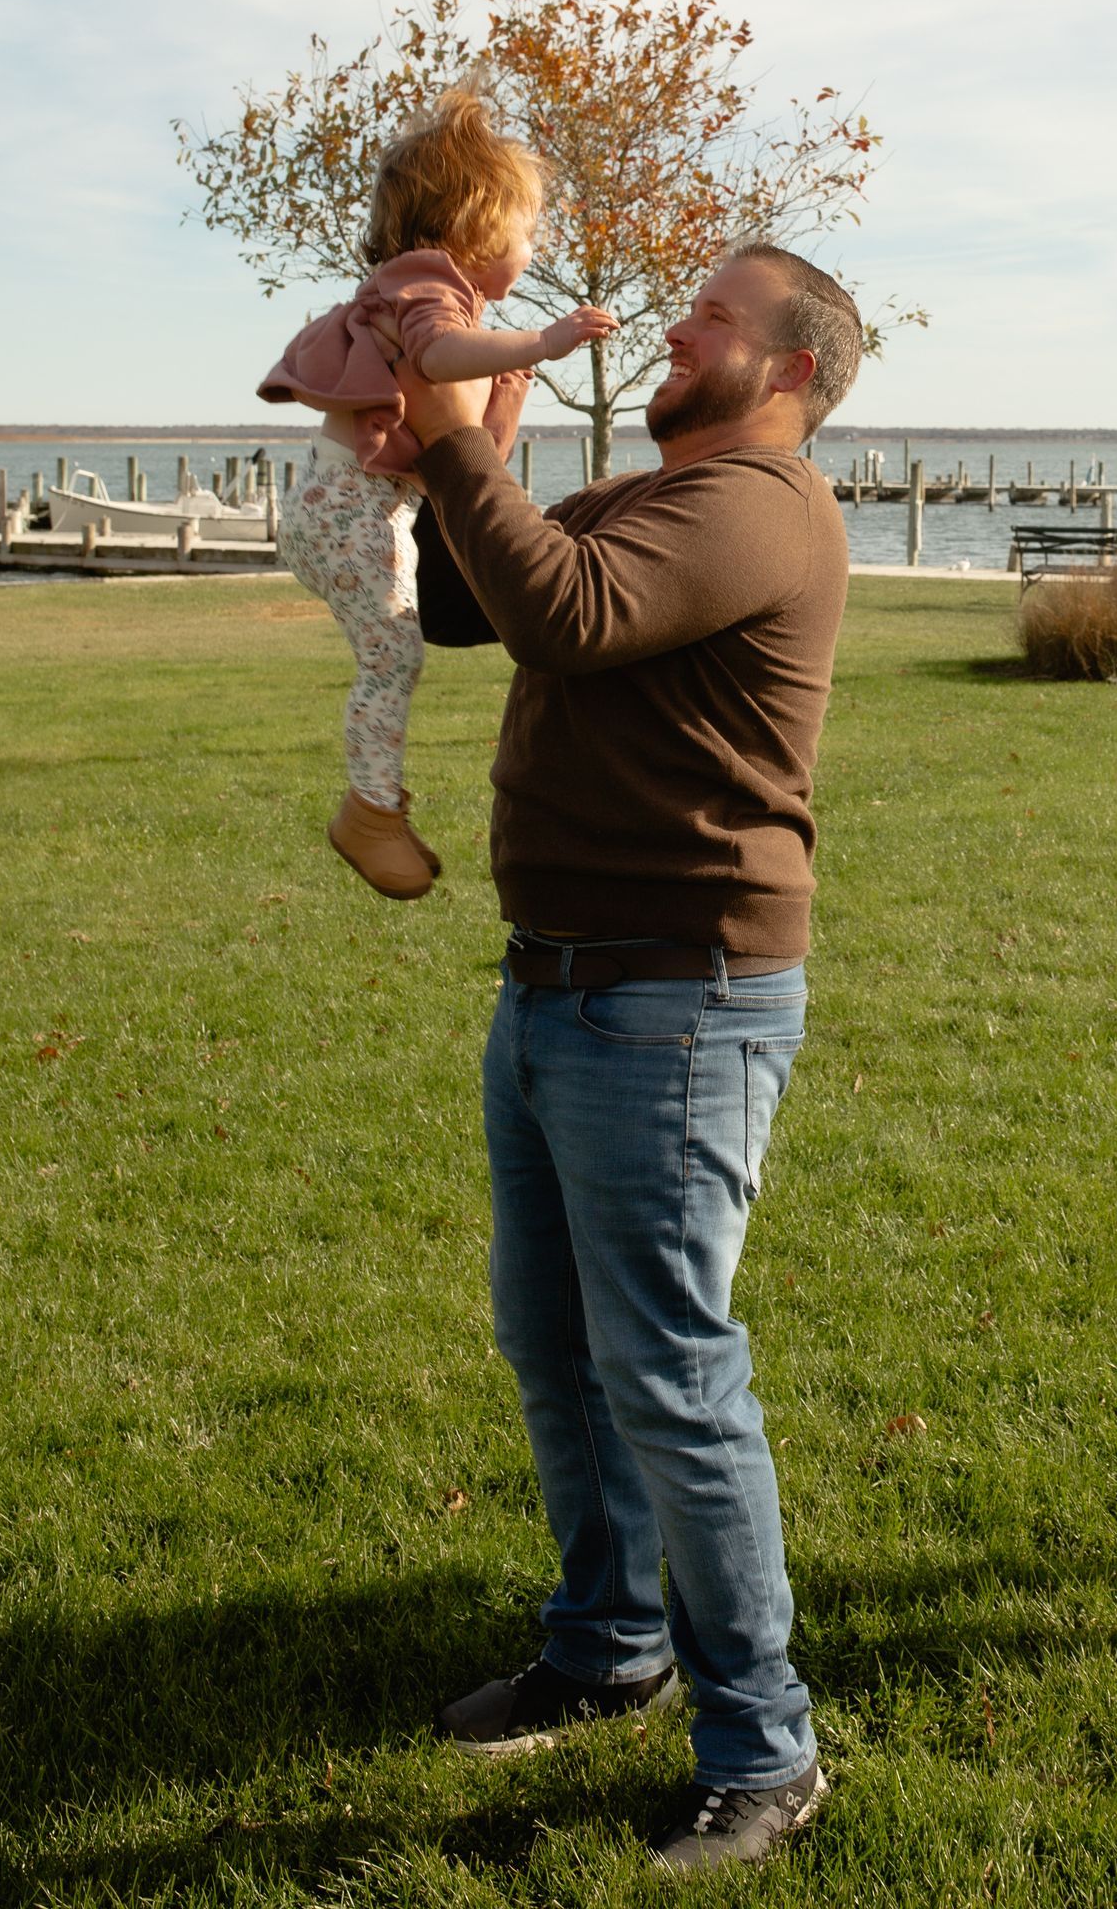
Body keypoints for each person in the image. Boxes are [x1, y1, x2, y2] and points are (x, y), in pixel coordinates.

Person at [402, 242, 858, 1880]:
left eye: (715, 316)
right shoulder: (656, 492)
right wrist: (479, 414)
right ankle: (609, 1648)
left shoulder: (754, 503)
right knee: (561, 1350)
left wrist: (447, 415)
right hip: (564, 991)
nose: (678, 326)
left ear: (792, 368)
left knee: (668, 1374)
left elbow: (572, 616)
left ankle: (766, 1748)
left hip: (673, 999)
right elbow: (473, 601)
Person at [258, 85, 615, 899]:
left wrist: (512, 376)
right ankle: (369, 812)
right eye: (526, 231)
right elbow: (443, 355)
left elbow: (470, 459)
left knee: (399, 650)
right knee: (392, 654)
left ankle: (378, 803)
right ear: (475, 226)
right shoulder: (424, 285)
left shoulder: (440, 300)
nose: (532, 247)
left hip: (362, 507)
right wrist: (544, 341)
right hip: (346, 507)